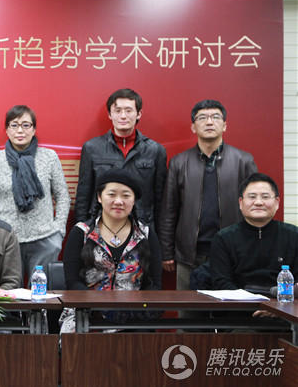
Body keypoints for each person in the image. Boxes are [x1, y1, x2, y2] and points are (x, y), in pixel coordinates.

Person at [159, 99, 257, 290]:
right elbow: (169, 210)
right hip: (189, 254)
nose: (209, 122)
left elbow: (254, 209)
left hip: (232, 252)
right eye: (202, 118)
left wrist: (252, 247)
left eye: (215, 117)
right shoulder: (179, 162)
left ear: (225, 125)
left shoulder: (243, 161)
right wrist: (167, 251)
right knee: (188, 307)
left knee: (231, 305)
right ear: (193, 127)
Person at [60, 169, 162, 331]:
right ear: (99, 197)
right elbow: (72, 282)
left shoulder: (146, 235)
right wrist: (99, 307)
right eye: (112, 194)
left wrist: (136, 311)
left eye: (126, 196)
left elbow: (155, 285)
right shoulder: (82, 232)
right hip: (85, 314)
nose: (119, 201)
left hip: (133, 316)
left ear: (134, 200)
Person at [0, 105, 69, 284]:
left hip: (44, 238)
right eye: (14, 125)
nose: (20, 131)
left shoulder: (49, 157)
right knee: (9, 293)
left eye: (26, 125)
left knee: (41, 295)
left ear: (34, 129)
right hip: (6, 239)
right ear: (7, 129)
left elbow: (62, 195)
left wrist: (58, 231)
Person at [74, 88, 167, 230]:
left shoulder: (155, 150)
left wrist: (159, 236)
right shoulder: (92, 148)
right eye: (117, 111)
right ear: (110, 114)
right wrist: (82, 229)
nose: (123, 116)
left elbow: (161, 200)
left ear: (138, 114)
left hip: (142, 227)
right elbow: (83, 196)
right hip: (101, 226)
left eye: (128, 111)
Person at [210, 173, 298, 291]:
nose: (258, 202)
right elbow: (221, 282)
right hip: (237, 301)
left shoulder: (293, 235)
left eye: (265, 197)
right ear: (241, 203)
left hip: (282, 301)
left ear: (277, 202)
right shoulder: (223, 238)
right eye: (252, 197)